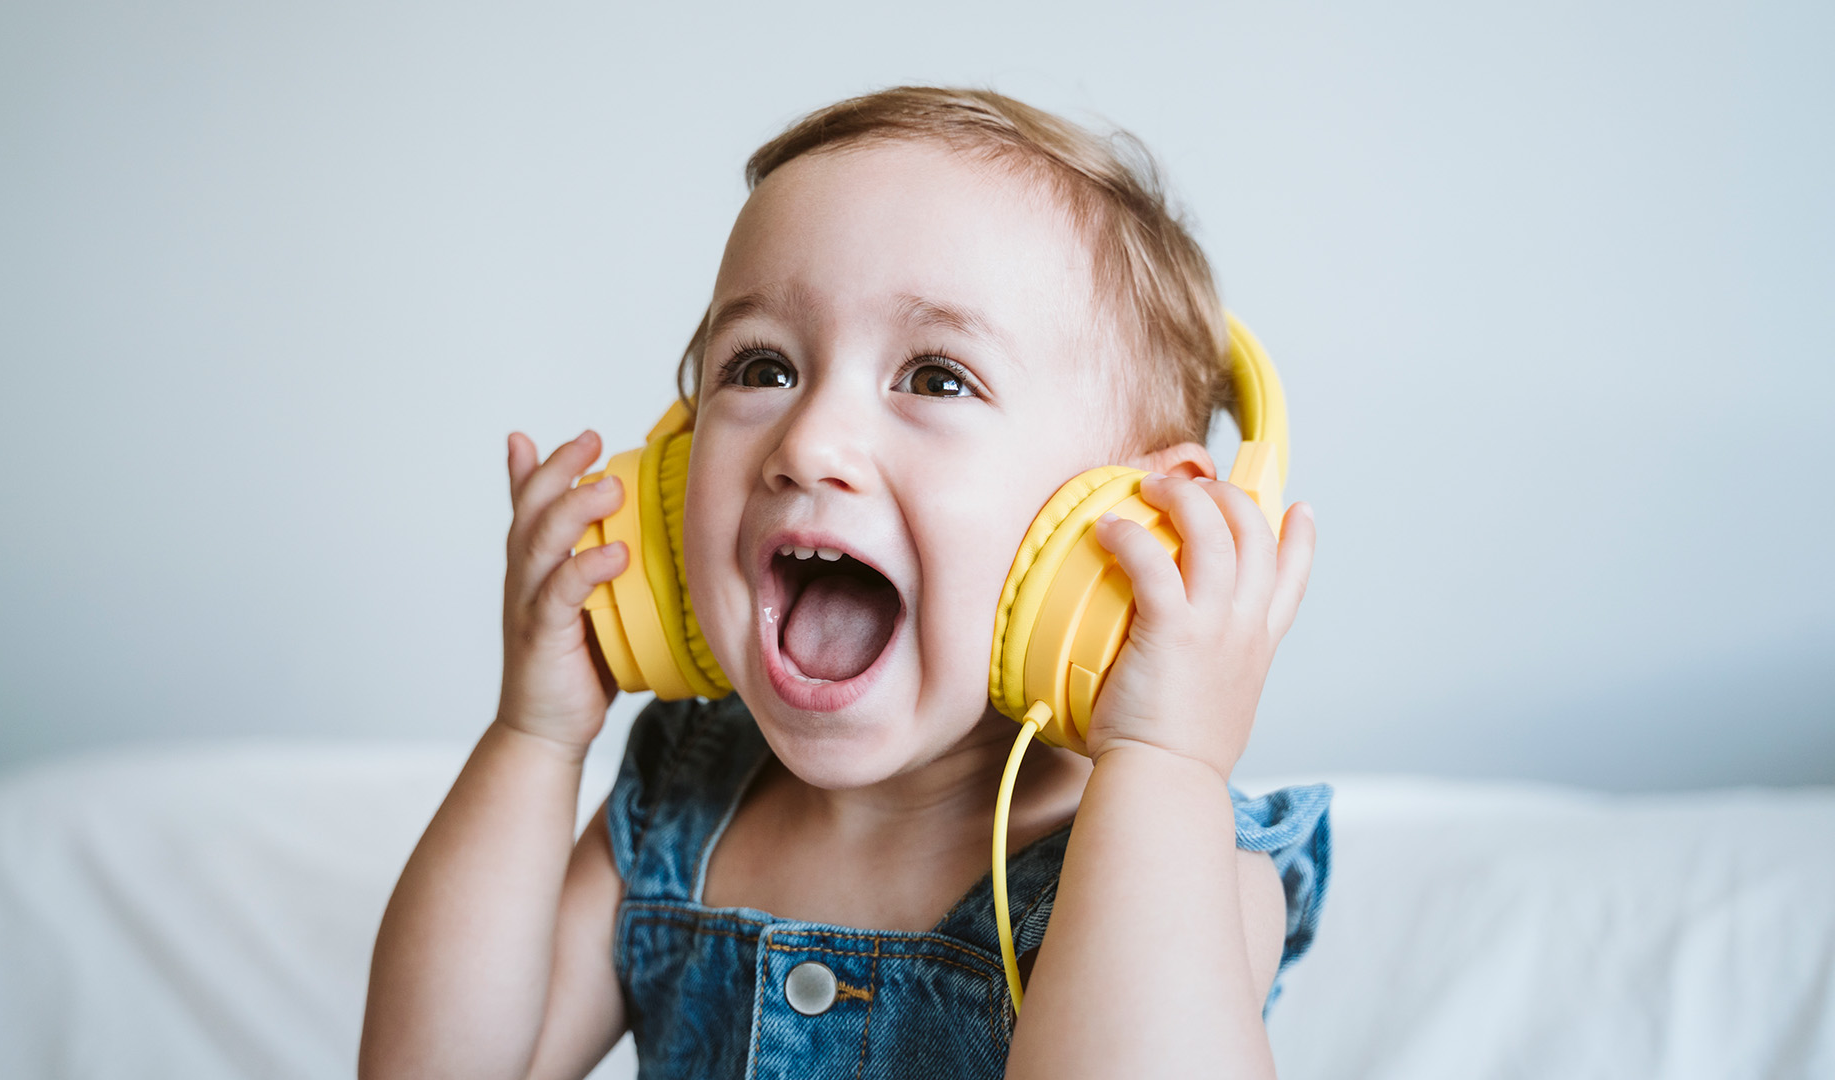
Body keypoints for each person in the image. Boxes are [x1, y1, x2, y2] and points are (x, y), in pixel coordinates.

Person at [361, 86, 1331, 1080]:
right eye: (762, 367)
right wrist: (534, 736)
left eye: (937, 378)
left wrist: (1165, 762)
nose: (809, 441)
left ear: (1131, 531)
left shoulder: (1186, 866)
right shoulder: (677, 812)